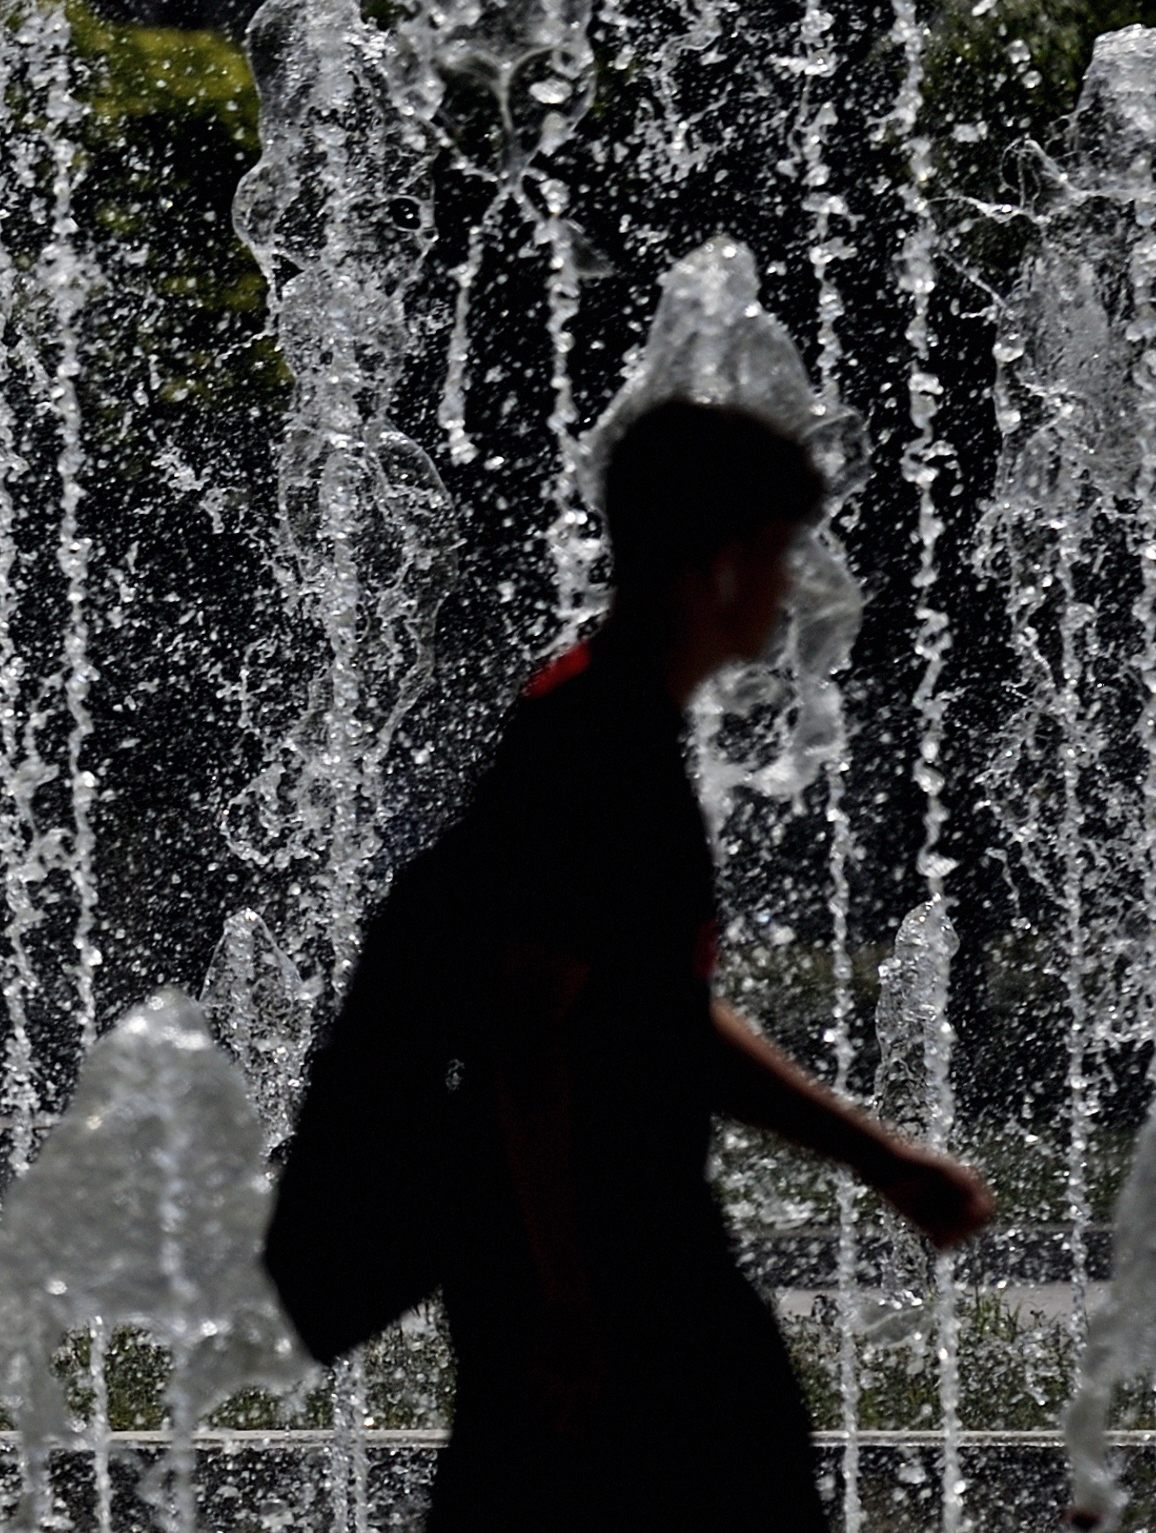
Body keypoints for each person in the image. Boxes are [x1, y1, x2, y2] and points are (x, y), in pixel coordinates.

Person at [267, 398, 993, 1531]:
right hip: (604, 1253)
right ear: (721, 559)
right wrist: (561, 1301)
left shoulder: (600, 717)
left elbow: (655, 1011)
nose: (789, 589)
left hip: (607, 1243)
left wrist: (881, 1157)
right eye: (778, 554)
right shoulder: (598, 746)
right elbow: (524, 1025)